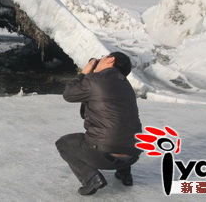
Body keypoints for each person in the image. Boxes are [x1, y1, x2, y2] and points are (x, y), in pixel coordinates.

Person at [55, 51, 142, 196]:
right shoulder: (127, 86)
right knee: (121, 127)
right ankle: (124, 174)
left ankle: (91, 179)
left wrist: (83, 74)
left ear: (111, 60)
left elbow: (68, 94)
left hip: (104, 155)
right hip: (133, 156)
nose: (100, 59)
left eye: (103, 57)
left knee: (64, 143)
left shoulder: (95, 80)